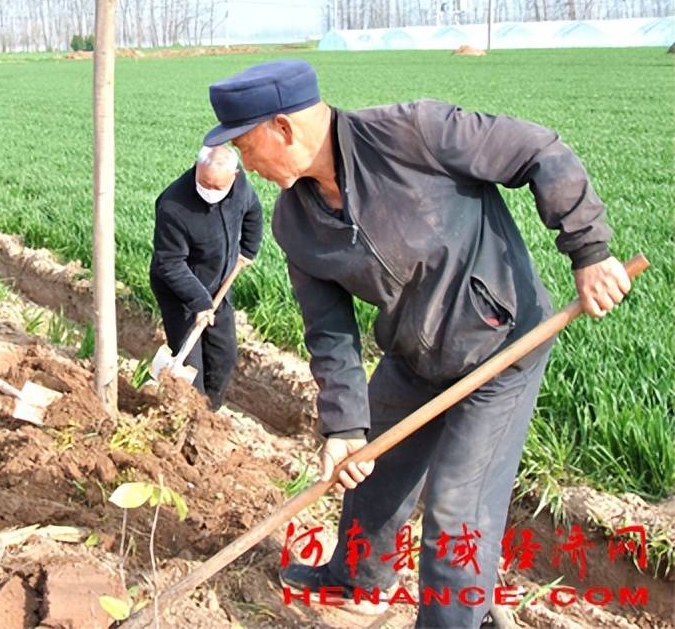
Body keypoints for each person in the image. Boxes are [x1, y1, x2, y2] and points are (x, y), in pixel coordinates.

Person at [203, 59, 631, 628]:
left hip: (500, 347)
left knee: (458, 512)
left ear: (282, 128)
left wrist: (590, 251)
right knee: (368, 467)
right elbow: (329, 332)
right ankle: (356, 580)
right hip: (415, 354)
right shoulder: (295, 222)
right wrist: (342, 426)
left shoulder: (415, 134)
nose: (245, 163)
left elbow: (539, 150)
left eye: (246, 145)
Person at [149, 145, 262, 410]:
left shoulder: (240, 187)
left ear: (234, 175)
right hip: (181, 292)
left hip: (220, 284)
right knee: (192, 366)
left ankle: (209, 415)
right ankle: (190, 413)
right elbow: (170, 263)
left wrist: (248, 250)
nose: (209, 191)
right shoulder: (173, 206)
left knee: (224, 356)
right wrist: (199, 301)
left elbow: (253, 211)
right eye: (204, 183)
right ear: (196, 168)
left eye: (216, 187)